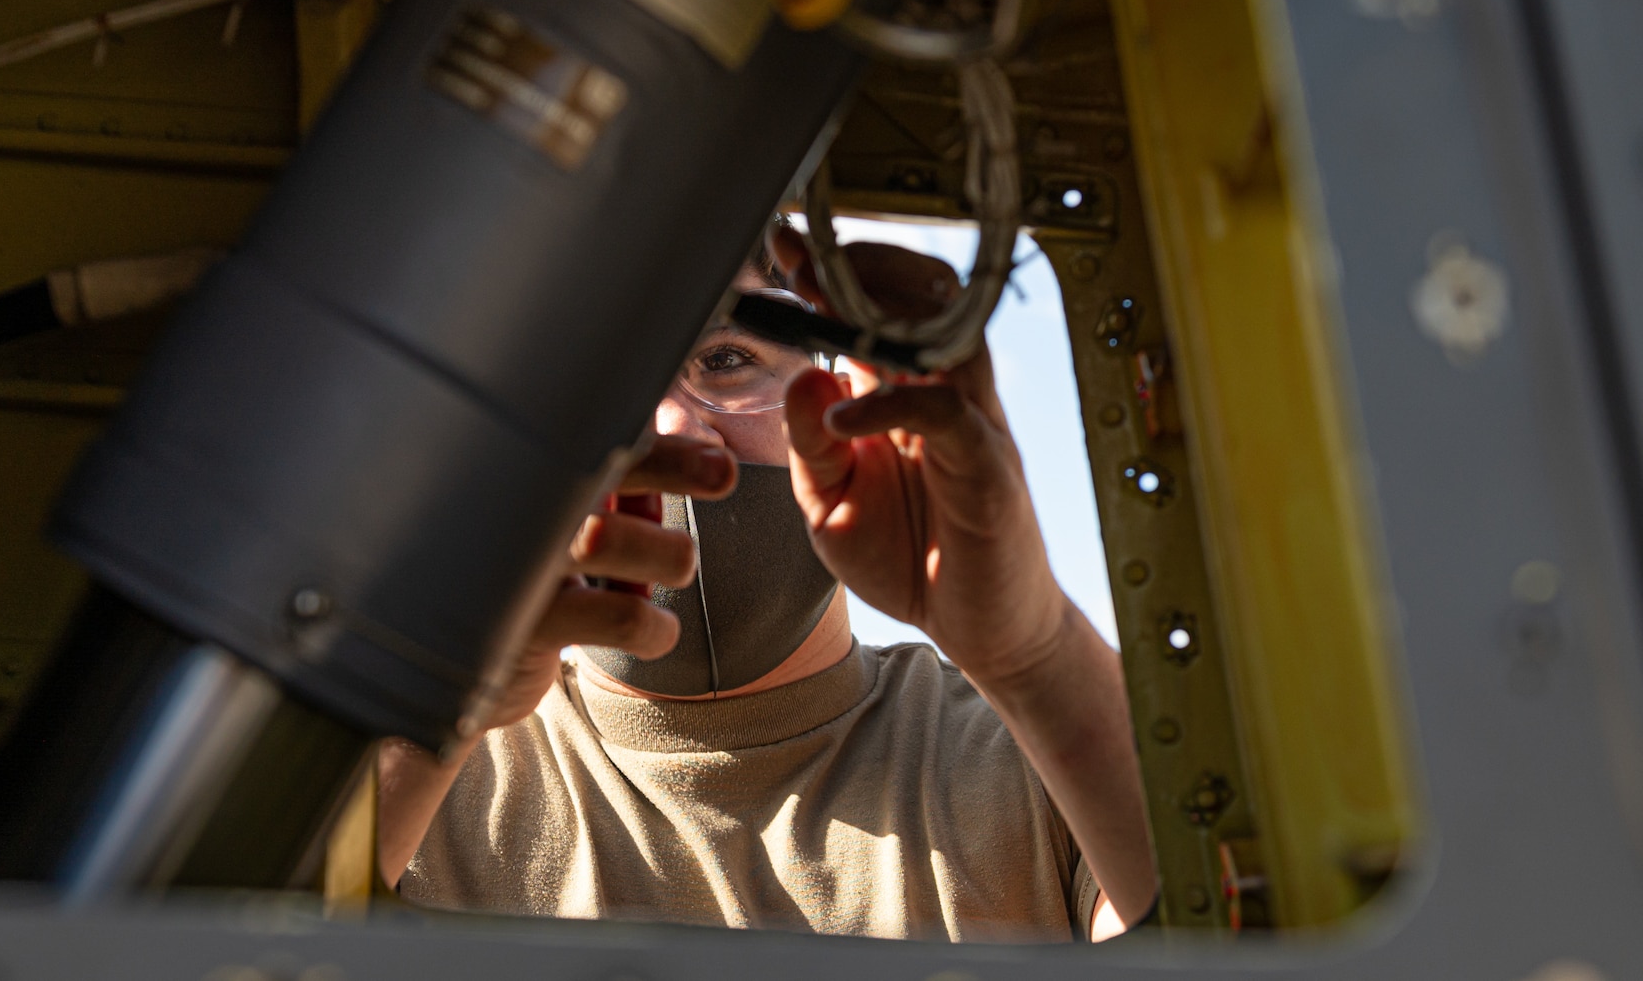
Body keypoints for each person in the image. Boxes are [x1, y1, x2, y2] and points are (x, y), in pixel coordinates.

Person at [375, 228, 1155, 942]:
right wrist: (444, 709)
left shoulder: (1033, 765)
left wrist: (1034, 654)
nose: (676, 429)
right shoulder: (438, 776)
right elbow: (264, 910)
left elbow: (1229, 932)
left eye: (726, 359)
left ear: (844, 396)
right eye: (610, 379)